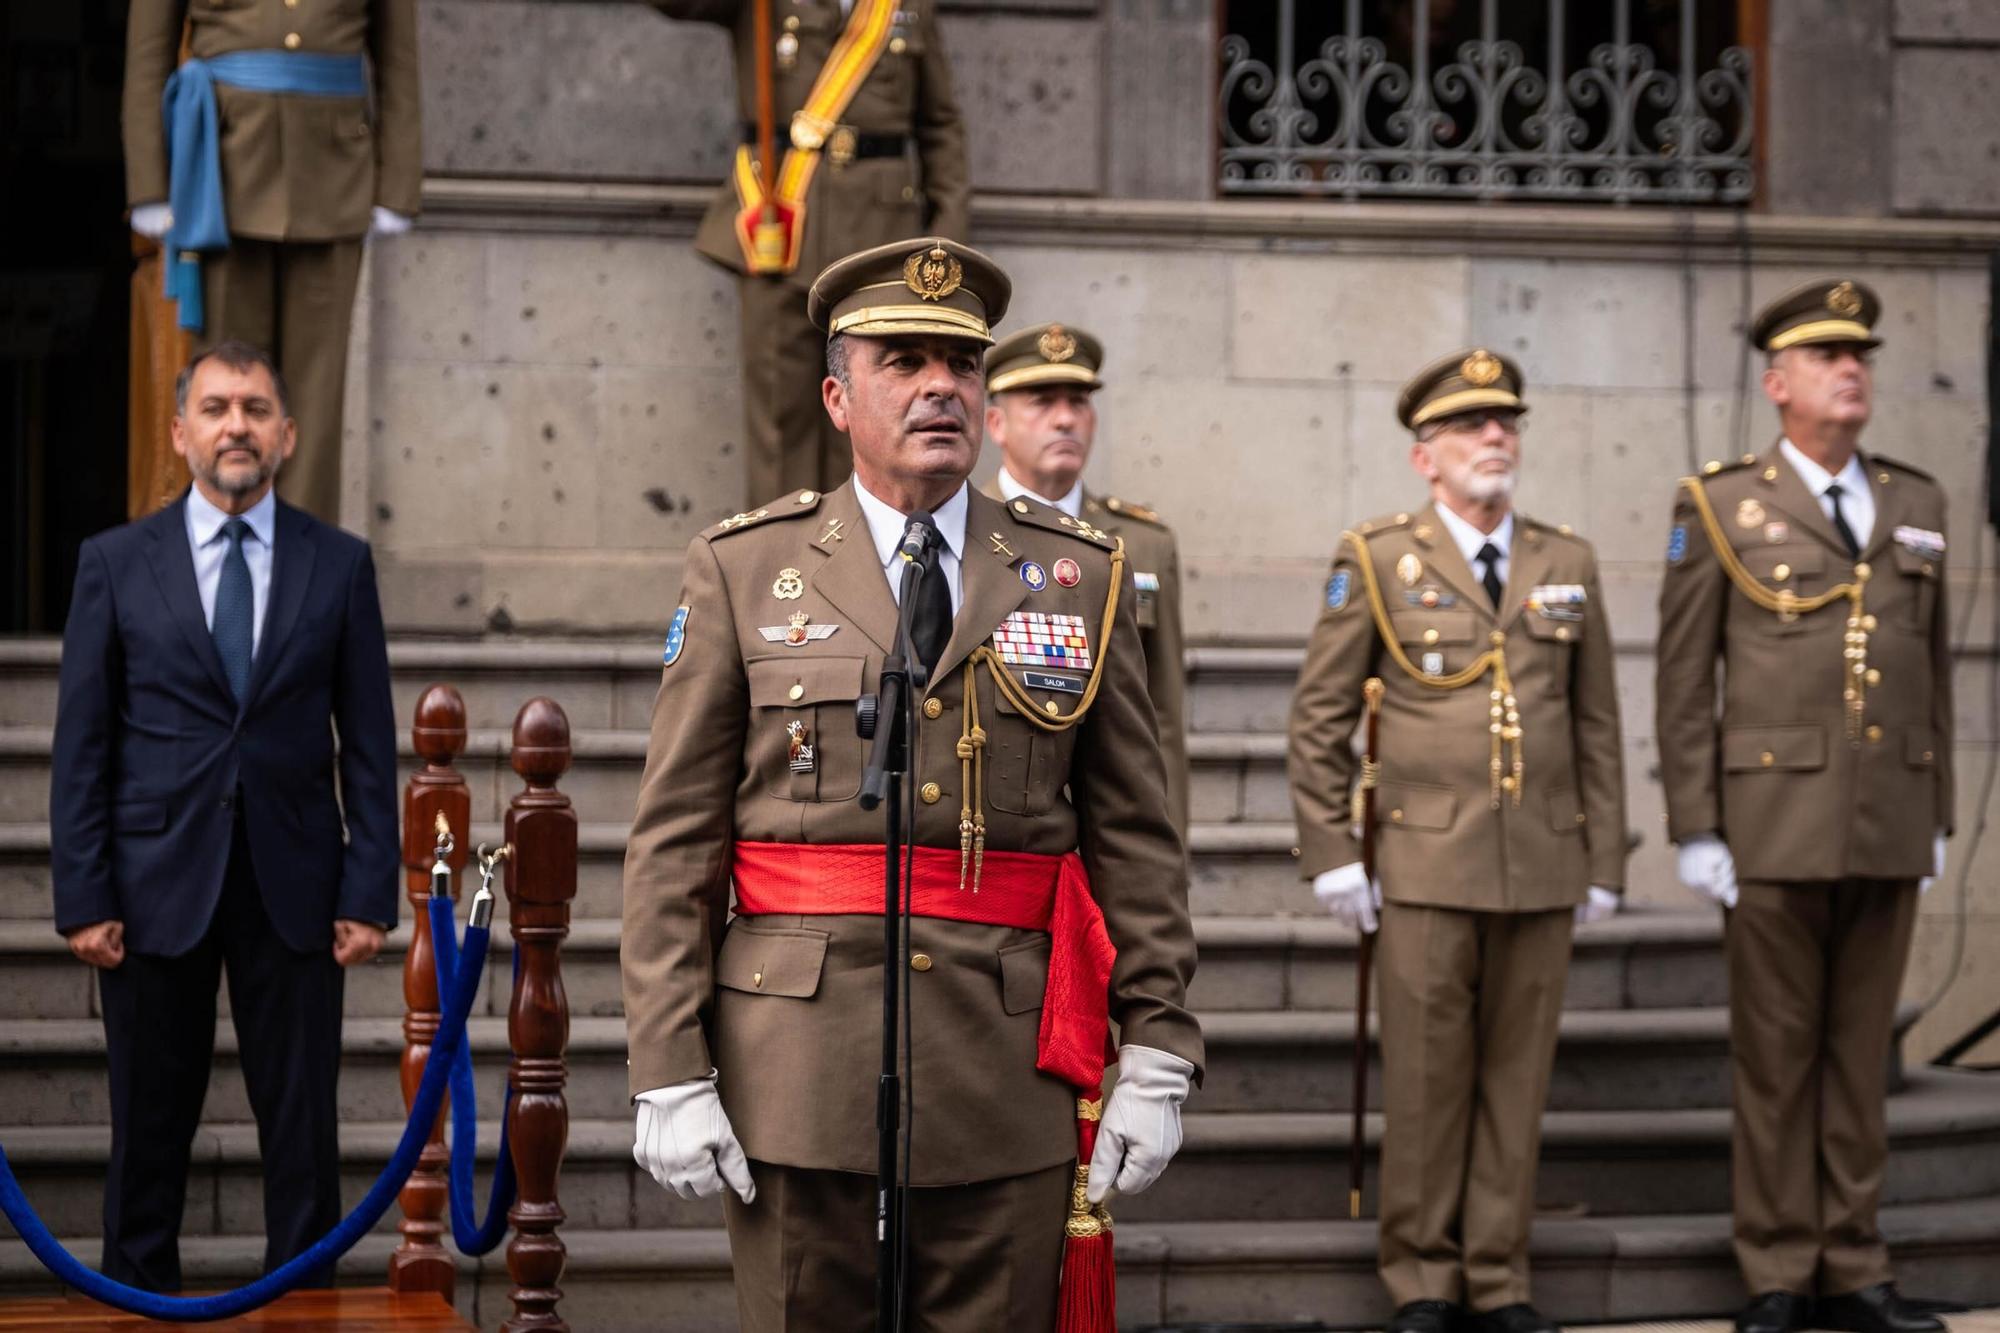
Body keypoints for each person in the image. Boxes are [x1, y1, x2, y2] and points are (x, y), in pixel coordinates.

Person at [620, 237, 1201, 1331]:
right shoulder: (746, 568)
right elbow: (673, 843)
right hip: (795, 1070)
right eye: (904, 360)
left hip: (1002, 1070)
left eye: (962, 364)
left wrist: (1157, 1041)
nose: (942, 384)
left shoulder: (1077, 576)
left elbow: (1135, 835)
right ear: (839, 397)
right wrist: (667, 1062)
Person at [48, 341, 399, 1292]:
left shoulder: (341, 565)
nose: (234, 425)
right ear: (179, 433)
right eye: (214, 408)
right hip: (152, 886)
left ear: (286, 434)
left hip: (297, 887)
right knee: (148, 1132)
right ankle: (138, 1305)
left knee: (301, 1136)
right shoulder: (114, 563)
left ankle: (301, 1307)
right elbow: (82, 743)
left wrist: (371, 888)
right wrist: (82, 894)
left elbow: (368, 743)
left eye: (253, 408)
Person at [1287, 350, 1626, 1333]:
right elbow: (1316, 721)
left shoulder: (1565, 560)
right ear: (1422, 455)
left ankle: (1498, 1276)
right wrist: (1331, 853)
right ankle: (1423, 1279)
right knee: (1430, 1087)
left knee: (1514, 1086)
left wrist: (1604, 857)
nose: (1494, 439)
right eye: (1471, 427)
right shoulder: (1378, 555)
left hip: (1543, 859)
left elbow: (1595, 722)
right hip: (1424, 864)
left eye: (1505, 423)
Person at [1655, 280, 1951, 1333]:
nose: (1850, 369)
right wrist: (1694, 823)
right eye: (1827, 357)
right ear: (1777, 385)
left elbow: (1932, 669)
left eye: (1859, 355)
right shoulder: (1721, 504)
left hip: (1885, 817)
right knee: (1776, 1060)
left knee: (1858, 1055)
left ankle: (1853, 1263)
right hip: (1769, 825)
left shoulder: (1915, 501)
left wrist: (1938, 810)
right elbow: (1685, 681)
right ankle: (1778, 1267)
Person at [646, 0, 970, 504]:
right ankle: (782, 571)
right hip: (779, 234)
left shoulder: (906, 9)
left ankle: (868, 568)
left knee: (875, 416)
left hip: (879, 246)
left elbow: (940, 127)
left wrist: (946, 246)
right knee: (780, 424)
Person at [123, 0, 421, 523]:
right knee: (224, 396)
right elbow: (149, 53)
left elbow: (397, 60)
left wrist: (396, 186)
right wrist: (149, 182)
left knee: (315, 403)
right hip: (220, 178)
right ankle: (224, 573)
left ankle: (301, 588)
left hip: (332, 177)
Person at [981, 321, 1191, 835]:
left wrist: (1168, 837)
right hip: (1001, 822)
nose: (1065, 420)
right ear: (995, 423)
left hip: (1112, 819)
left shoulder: (1143, 542)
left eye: (1078, 402)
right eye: (1042, 401)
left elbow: (1160, 712)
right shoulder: (962, 528)